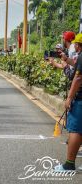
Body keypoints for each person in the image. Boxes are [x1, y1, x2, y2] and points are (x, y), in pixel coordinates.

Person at [54, 33, 82, 172]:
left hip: (80, 98)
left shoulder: (81, 55)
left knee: (76, 130)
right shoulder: (78, 57)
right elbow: (76, 65)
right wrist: (66, 60)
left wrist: (69, 98)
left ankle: (69, 164)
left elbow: (77, 78)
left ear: (78, 44)